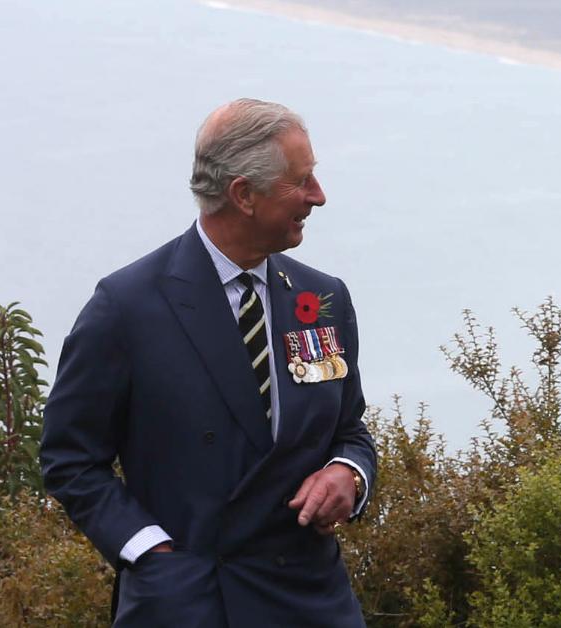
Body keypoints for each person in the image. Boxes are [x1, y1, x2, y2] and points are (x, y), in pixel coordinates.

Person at [41, 98, 377, 627]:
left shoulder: (322, 296)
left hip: (311, 601)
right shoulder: (127, 307)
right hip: (189, 604)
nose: (319, 196)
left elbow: (350, 428)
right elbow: (70, 459)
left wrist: (348, 472)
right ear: (243, 194)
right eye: (302, 181)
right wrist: (150, 553)